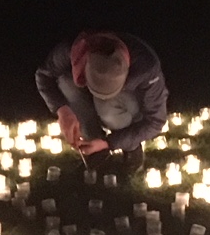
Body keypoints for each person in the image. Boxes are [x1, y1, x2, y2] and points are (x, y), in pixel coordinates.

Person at [34, 30, 168, 171]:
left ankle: (131, 148)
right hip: (86, 82)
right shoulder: (72, 50)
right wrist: (62, 110)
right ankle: (94, 146)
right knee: (66, 83)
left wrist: (109, 143)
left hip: (129, 104)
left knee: (107, 106)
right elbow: (43, 75)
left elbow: (155, 121)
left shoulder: (146, 66)